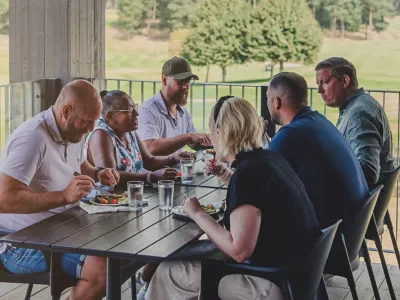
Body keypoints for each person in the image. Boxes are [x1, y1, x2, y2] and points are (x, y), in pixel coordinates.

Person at [145, 96, 320, 300]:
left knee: (170, 270)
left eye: (211, 130)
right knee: (195, 253)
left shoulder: (249, 173)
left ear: (220, 133)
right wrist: (228, 175)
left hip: (271, 282)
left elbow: (238, 250)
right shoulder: (269, 159)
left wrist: (197, 213)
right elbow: (258, 199)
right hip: (299, 274)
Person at [0, 80, 120, 300]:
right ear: (66, 111)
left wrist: (97, 172)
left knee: (118, 247)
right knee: (102, 269)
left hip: (62, 230)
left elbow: (79, 163)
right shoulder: (32, 138)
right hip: (19, 243)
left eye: (95, 121)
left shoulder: (72, 130)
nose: (91, 129)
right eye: (87, 122)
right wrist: (64, 196)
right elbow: (4, 199)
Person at [266, 72, 369, 228]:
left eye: (268, 97)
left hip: (329, 239)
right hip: (351, 230)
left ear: (276, 102)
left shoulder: (291, 134)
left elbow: (257, 184)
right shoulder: (318, 120)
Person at [86, 90, 194, 186]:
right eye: (129, 110)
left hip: (133, 196)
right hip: (108, 202)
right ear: (110, 117)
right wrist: (150, 177)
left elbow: (149, 162)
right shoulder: (101, 135)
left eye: (135, 108)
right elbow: (111, 177)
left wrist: (174, 158)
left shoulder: (130, 132)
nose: (136, 114)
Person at [315, 57, 394, 188]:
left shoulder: (360, 114)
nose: (319, 90)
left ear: (345, 81)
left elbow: (368, 171)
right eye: (318, 83)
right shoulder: (357, 106)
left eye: (324, 82)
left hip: (354, 203)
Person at [137, 56, 211, 156]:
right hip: (156, 171)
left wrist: (215, 139)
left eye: (188, 81)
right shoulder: (148, 111)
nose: (186, 86)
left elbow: (193, 143)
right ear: (164, 80)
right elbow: (150, 147)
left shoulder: (182, 112)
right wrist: (187, 137)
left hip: (177, 170)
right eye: (181, 81)